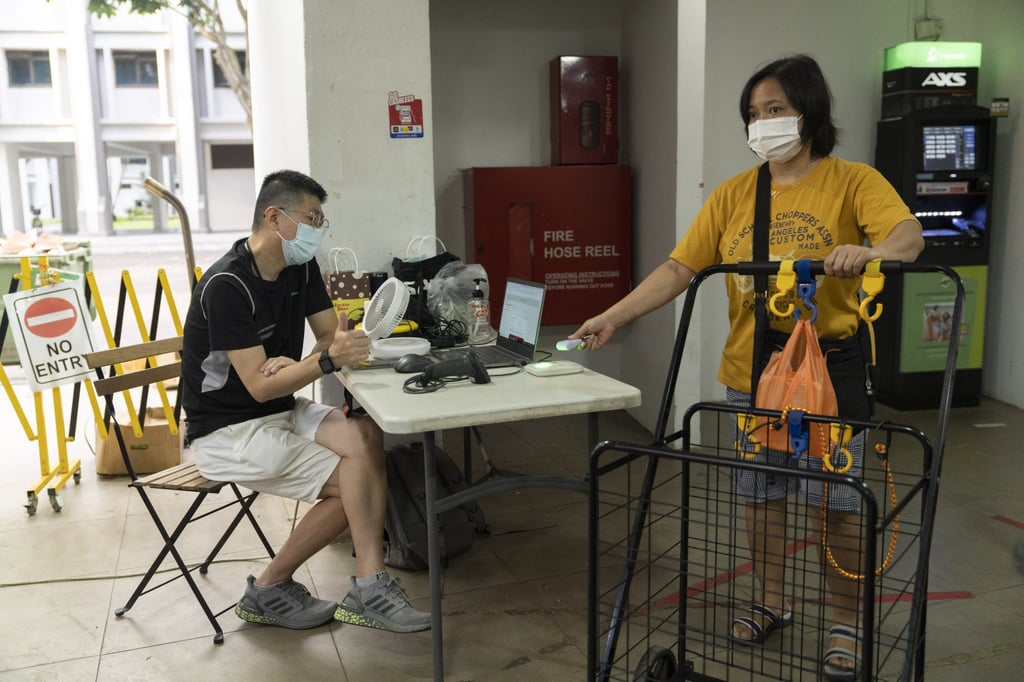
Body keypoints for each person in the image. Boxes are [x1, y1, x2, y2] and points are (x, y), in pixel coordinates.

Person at [570, 55, 923, 680]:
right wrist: (615, 316)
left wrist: (868, 252)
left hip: (829, 373)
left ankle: (846, 622)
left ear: (808, 113)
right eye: (754, 114)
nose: (763, 124)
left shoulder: (852, 181)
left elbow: (907, 237)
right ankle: (771, 600)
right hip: (752, 374)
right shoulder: (736, 194)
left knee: (837, 503)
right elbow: (681, 269)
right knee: (761, 497)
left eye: (775, 110)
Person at [180, 169, 430, 633]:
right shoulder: (227, 287)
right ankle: (295, 586)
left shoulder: (300, 268)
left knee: (367, 436)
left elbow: (327, 339)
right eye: (312, 217)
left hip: (278, 409)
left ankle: (361, 586)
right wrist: (319, 362)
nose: (319, 229)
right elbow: (259, 385)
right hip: (226, 431)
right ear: (274, 217)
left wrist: (312, 358)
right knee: (352, 482)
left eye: (321, 219)